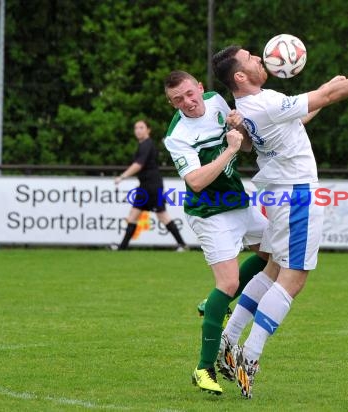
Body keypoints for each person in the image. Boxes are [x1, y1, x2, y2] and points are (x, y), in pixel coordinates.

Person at [212, 45, 348, 398]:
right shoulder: (263, 104)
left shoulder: (254, 104)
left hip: (278, 192)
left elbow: (298, 119)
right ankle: (250, 356)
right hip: (296, 194)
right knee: (294, 277)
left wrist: (321, 93)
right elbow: (330, 96)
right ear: (240, 76)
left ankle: (229, 340)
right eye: (251, 59)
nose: (260, 59)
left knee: (273, 269)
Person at [163, 70, 280, 396]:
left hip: (236, 202)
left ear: (200, 87)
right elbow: (196, 181)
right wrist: (229, 149)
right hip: (209, 214)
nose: (187, 102)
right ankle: (203, 368)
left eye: (189, 93)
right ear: (171, 103)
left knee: (273, 254)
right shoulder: (177, 135)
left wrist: (239, 125)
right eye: (178, 100)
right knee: (227, 284)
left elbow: (242, 146)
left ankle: (212, 303)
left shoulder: (216, 101)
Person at [113, 119, 187, 251]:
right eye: (136, 128)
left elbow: (138, 165)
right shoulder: (143, 145)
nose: (138, 130)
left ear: (148, 130)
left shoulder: (147, 144)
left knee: (162, 215)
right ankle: (122, 248)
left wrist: (122, 177)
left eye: (141, 127)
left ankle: (182, 245)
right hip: (145, 186)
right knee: (133, 215)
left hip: (152, 186)